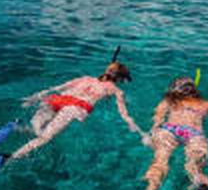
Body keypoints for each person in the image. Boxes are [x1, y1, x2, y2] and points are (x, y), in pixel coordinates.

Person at [10, 60, 146, 160]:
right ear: (120, 79)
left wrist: (33, 98)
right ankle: (11, 158)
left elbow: (58, 88)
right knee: (45, 138)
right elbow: (124, 115)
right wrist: (139, 131)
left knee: (36, 129)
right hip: (75, 107)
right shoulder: (115, 90)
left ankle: (17, 128)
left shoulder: (85, 78)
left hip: (57, 99)